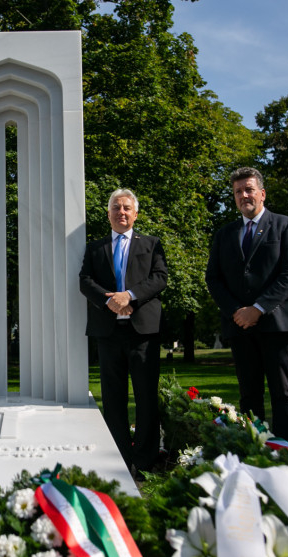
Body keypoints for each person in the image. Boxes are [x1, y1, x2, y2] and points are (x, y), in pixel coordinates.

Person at [205, 167, 288, 442]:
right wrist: (236, 312)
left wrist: (258, 308)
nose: (244, 195)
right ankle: (254, 451)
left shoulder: (285, 225)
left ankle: (285, 452)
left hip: (277, 324)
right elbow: (213, 278)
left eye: (249, 190)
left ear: (262, 194)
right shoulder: (225, 234)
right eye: (238, 192)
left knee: (282, 393)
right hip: (240, 326)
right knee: (249, 395)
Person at [79, 189, 168, 475]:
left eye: (127, 208)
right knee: (113, 399)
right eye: (116, 208)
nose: (122, 212)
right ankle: (117, 459)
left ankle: (144, 462)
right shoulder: (95, 248)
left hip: (143, 333)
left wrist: (129, 296)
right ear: (108, 214)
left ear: (135, 213)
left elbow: (159, 278)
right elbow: (85, 280)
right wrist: (110, 301)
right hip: (109, 333)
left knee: (146, 397)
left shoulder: (151, 244)